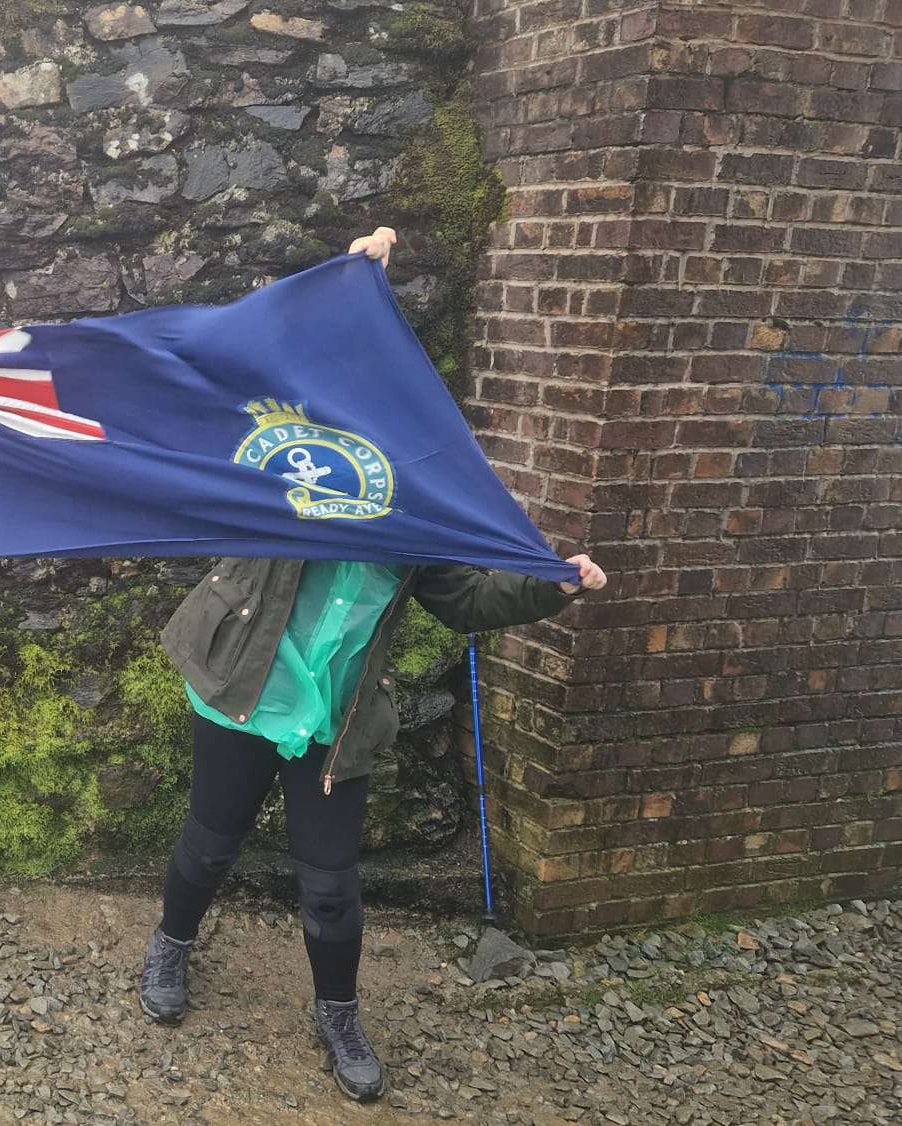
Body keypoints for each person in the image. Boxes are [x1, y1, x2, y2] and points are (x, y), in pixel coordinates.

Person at [137, 227, 609, 1104]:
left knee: (330, 885)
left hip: (337, 713)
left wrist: (555, 587)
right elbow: (256, 366)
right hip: (245, 683)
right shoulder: (287, 456)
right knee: (209, 846)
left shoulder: (416, 503)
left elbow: (466, 600)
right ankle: (171, 949)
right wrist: (350, 293)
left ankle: (340, 1014)